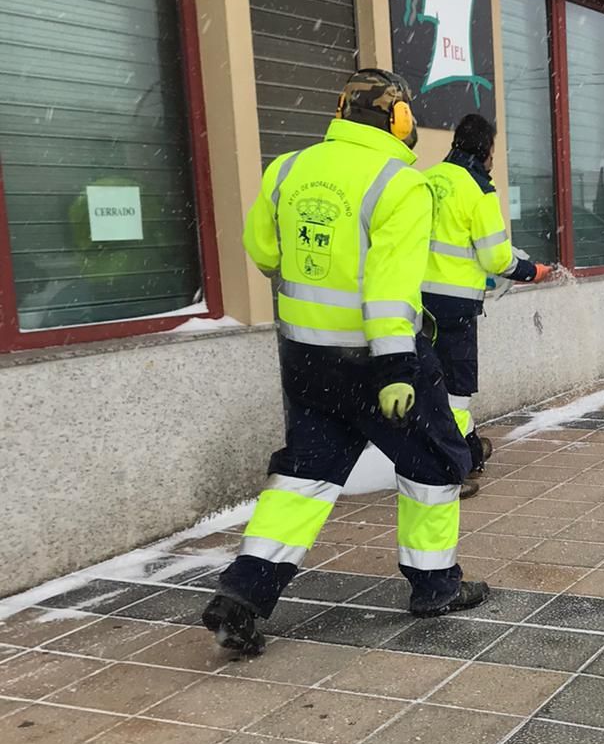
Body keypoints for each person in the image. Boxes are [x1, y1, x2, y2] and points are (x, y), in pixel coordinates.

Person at [202, 69, 485, 658]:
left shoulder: (286, 169)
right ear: (400, 120)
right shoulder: (399, 185)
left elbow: (264, 251)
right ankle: (435, 586)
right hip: (377, 361)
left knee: (305, 475)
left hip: (305, 361)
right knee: (435, 462)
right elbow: (389, 290)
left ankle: (245, 592)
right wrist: (394, 369)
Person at [423, 115, 554, 492]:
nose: (494, 159)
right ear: (484, 151)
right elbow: (497, 259)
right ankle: (455, 464)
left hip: (416, 304)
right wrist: (533, 271)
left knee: (430, 381)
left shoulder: (427, 180)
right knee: (456, 391)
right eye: (494, 151)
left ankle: (467, 450)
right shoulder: (478, 191)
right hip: (454, 309)